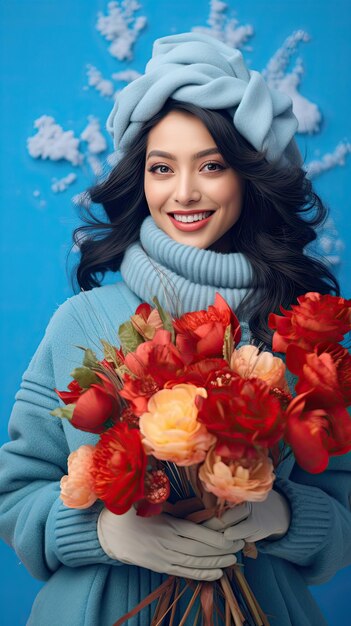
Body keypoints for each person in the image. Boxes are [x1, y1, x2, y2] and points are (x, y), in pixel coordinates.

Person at [0, 32, 350, 626]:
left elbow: (343, 508)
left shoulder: (297, 335)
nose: (184, 192)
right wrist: (105, 533)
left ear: (248, 175)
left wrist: (284, 517)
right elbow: (15, 495)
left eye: (211, 165)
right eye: (162, 167)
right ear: (140, 178)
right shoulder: (81, 322)